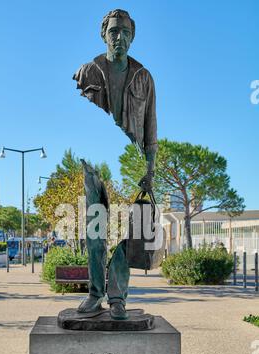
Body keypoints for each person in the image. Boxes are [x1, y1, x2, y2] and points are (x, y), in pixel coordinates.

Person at [73, 9, 158, 320]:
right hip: (95, 166)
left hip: (131, 166)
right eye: (113, 31)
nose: (119, 37)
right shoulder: (89, 71)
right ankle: (95, 294)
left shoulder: (144, 77)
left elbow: (151, 128)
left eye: (125, 32)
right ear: (103, 34)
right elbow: (76, 121)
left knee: (126, 235)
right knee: (95, 232)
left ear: (132, 37)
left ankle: (118, 297)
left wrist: (149, 169)